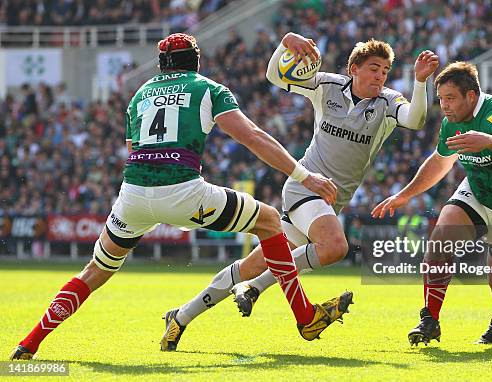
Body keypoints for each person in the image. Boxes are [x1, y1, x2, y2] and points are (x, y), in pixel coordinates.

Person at [10, 33, 348, 360]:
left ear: (162, 64)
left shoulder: (139, 96)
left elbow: (134, 151)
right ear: (196, 61)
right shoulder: (207, 88)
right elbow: (253, 137)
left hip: (133, 196)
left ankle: (30, 343)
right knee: (270, 221)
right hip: (184, 191)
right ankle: (305, 317)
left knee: (96, 270)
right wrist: (304, 176)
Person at [162, 31, 438, 349]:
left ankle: (181, 315)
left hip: (329, 202)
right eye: (374, 68)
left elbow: (415, 120)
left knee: (254, 265)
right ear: (354, 69)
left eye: (386, 71)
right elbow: (273, 75)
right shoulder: (328, 85)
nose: (380, 76)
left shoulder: (388, 102)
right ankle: (259, 290)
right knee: (335, 246)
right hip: (304, 187)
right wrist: (286, 42)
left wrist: (419, 82)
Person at [371, 61, 492, 345]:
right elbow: (440, 162)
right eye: (441, 99)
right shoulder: (450, 123)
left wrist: (488, 141)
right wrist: (406, 194)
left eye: (450, 98)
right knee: (441, 240)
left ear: (471, 97)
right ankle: (430, 319)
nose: (444, 106)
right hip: (477, 192)